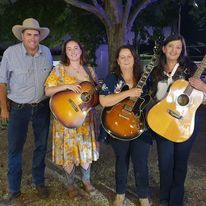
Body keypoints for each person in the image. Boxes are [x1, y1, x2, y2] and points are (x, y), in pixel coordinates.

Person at [0, 18, 53, 204]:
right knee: (15, 149)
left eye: (35, 34)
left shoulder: (46, 52)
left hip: (42, 108)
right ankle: (13, 189)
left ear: (40, 36)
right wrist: (4, 109)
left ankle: (39, 182)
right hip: (18, 108)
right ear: (22, 36)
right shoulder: (10, 53)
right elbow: (2, 83)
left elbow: (53, 80)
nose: (32, 37)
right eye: (28, 34)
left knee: (41, 146)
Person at [149, 34, 201, 206]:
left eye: (178, 47)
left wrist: (203, 87)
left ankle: (176, 200)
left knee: (180, 162)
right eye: (170, 46)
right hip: (162, 121)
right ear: (164, 48)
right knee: (165, 162)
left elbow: (200, 94)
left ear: (182, 50)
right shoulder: (155, 70)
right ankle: (164, 197)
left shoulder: (191, 68)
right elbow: (148, 94)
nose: (174, 50)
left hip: (185, 121)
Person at [44, 39, 99, 198]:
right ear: (65, 52)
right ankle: (70, 184)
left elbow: (94, 92)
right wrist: (66, 86)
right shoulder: (59, 70)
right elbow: (48, 91)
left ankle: (86, 181)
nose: (73, 51)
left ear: (81, 50)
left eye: (76, 48)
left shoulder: (89, 70)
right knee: (68, 151)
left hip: (85, 117)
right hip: (65, 118)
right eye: (69, 49)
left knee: (85, 150)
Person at [99, 45, 152, 206]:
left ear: (134, 58)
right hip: (117, 125)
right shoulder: (112, 78)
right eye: (122, 57)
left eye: (129, 56)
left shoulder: (144, 77)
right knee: (121, 160)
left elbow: (151, 99)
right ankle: (120, 194)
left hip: (139, 126)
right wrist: (128, 92)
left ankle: (143, 196)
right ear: (118, 60)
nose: (126, 60)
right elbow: (103, 100)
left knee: (141, 162)